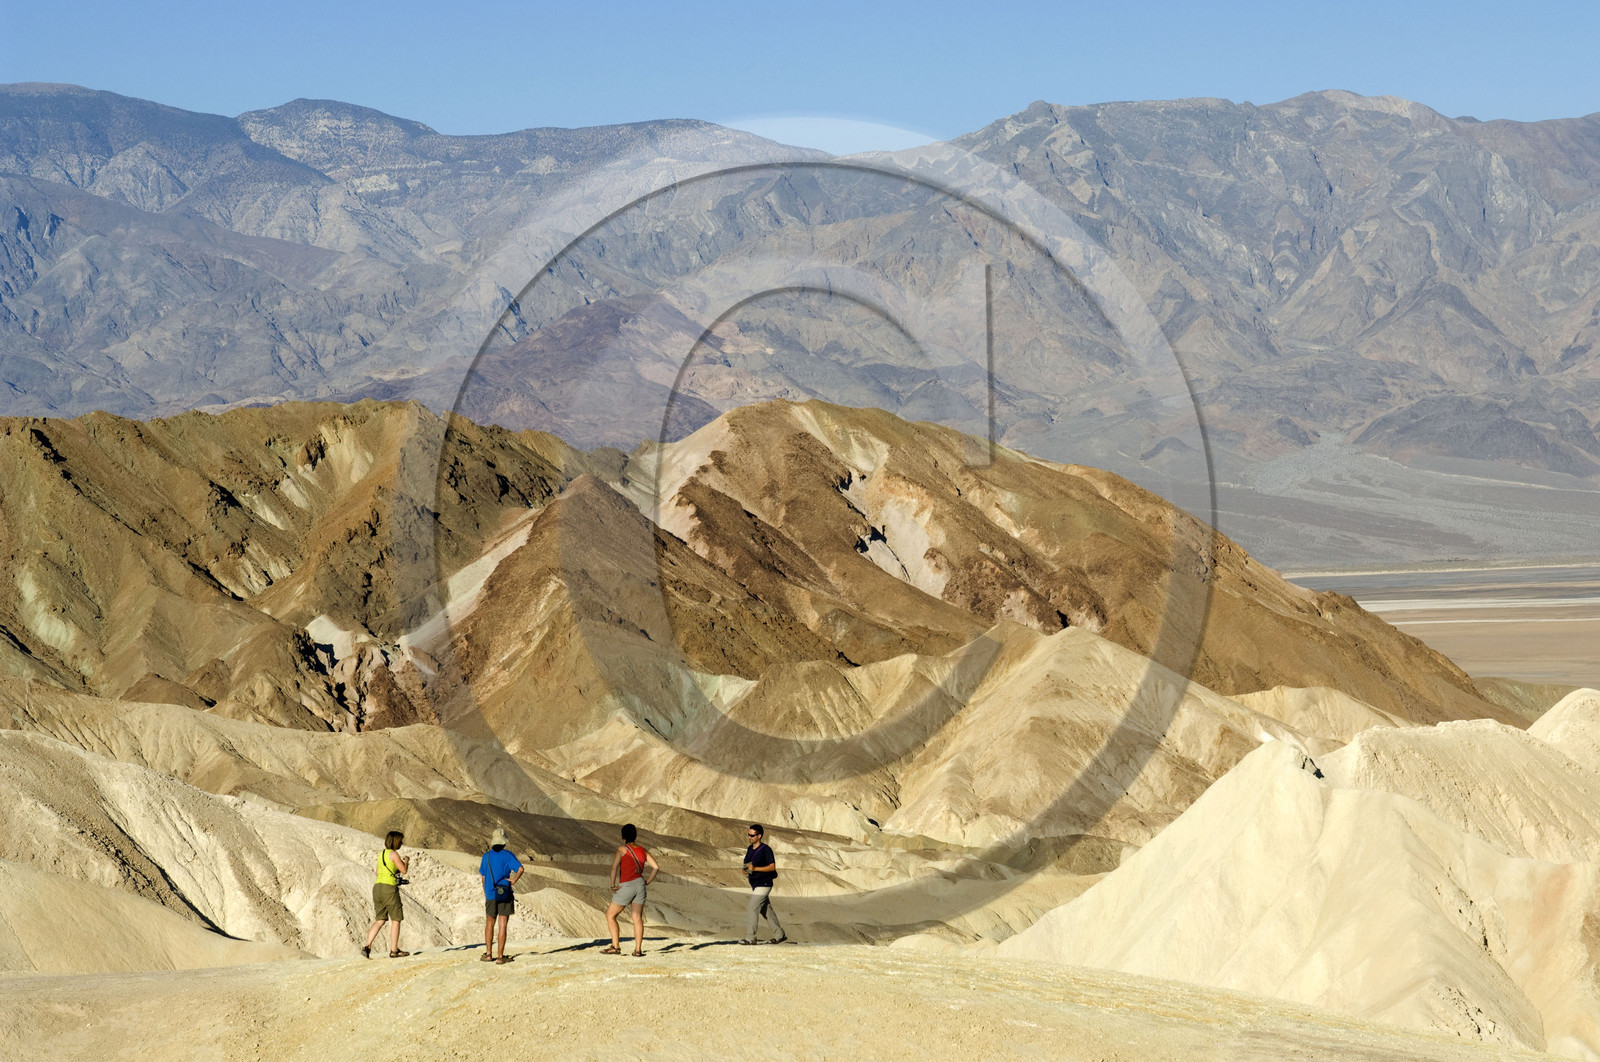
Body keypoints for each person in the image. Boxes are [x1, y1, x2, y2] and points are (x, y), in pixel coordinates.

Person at [603, 823, 658, 956]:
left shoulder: (622, 850)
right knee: (636, 917)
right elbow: (656, 867)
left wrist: (612, 884)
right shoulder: (643, 850)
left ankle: (615, 947)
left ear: (623, 836)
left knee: (610, 915)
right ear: (635, 835)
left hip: (627, 884)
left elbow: (614, 868)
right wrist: (647, 882)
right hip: (640, 885)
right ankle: (638, 950)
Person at [480, 826, 523, 965]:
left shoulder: (486, 857)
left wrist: (486, 892)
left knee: (489, 924)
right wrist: (514, 880)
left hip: (491, 894)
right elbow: (521, 869)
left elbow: (483, 877)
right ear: (504, 842)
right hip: (504, 893)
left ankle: (488, 954)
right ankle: (500, 957)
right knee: (502, 925)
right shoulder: (508, 855)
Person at [362, 830, 409, 958]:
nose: (402, 843)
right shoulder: (394, 854)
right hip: (389, 888)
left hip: (377, 888)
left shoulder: (381, 854)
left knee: (380, 920)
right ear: (396, 841)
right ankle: (394, 950)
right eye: (401, 840)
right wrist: (406, 861)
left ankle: (367, 946)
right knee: (396, 919)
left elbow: (378, 872)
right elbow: (403, 870)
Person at [741, 823, 786, 945]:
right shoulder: (750, 849)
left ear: (759, 836)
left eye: (752, 835)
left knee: (752, 907)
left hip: (764, 884)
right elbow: (747, 864)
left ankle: (751, 937)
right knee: (766, 910)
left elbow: (772, 867)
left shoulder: (766, 850)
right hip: (755, 884)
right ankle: (779, 934)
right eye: (748, 835)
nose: (749, 837)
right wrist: (746, 870)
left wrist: (754, 869)